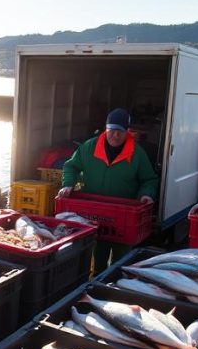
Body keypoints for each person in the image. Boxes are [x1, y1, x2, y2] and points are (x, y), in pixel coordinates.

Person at [57, 108, 158, 272]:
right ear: (106, 129)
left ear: (127, 132)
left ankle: (116, 282)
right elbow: (71, 166)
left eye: (120, 131)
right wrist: (68, 183)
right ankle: (95, 280)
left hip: (123, 214)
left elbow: (149, 179)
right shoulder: (89, 147)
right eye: (112, 130)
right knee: (97, 251)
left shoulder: (137, 154)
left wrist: (146, 193)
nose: (115, 136)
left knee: (122, 259)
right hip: (93, 211)